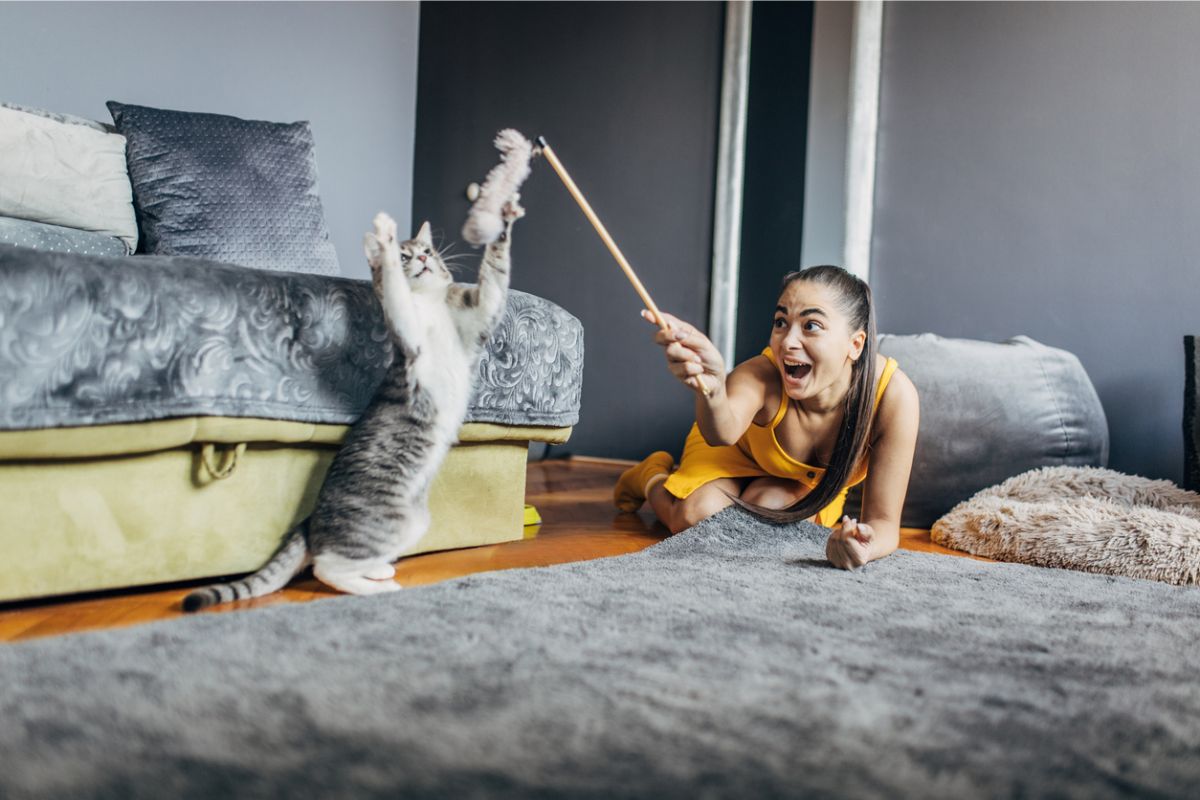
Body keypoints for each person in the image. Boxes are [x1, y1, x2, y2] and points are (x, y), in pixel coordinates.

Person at [614, 265, 920, 570]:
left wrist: (863, 546)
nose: (787, 342)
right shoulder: (762, 374)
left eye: (811, 325)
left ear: (855, 344)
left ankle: (758, 491)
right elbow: (721, 432)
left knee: (769, 521)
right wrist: (713, 388)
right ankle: (652, 475)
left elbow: (883, 522)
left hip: (802, 484)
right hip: (731, 452)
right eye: (781, 322)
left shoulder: (893, 398)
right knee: (694, 518)